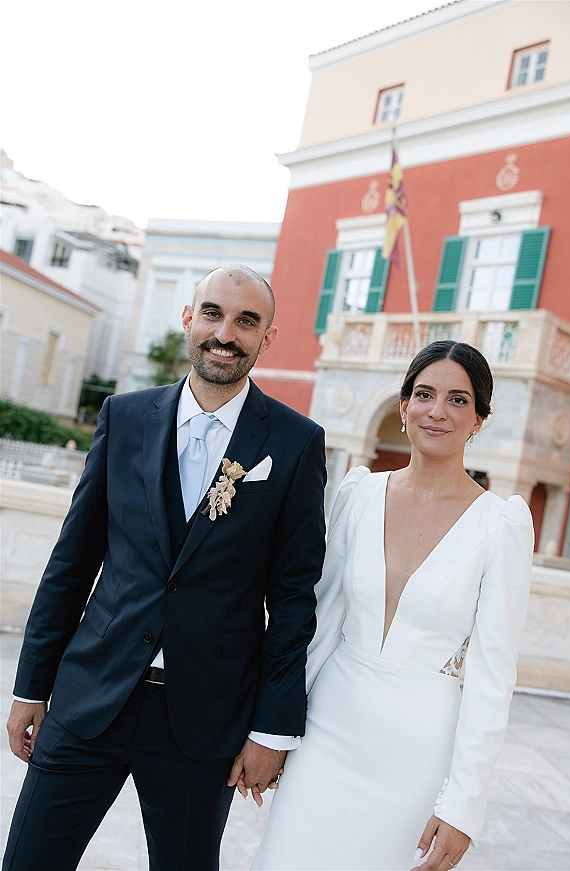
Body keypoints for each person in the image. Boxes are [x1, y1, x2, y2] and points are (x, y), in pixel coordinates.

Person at [3, 265, 327, 871]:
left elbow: (292, 599)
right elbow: (71, 562)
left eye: (246, 321)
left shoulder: (295, 443)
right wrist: (31, 685)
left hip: (205, 718)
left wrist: (272, 731)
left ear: (266, 338)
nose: (225, 334)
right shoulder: (123, 417)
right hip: (90, 697)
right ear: (188, 319)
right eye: (212, 314)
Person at [251, 340, 534, 871]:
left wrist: (463, 805)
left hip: (419, 751)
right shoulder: (358, 493)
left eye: (458, 399)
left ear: (478, 420)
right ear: (403, 407)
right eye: (424, 394)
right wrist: (273, 731)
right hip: (327, 731)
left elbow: (494, 676)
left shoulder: (502, 524)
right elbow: (320, 624)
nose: (437, 411)